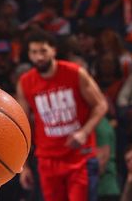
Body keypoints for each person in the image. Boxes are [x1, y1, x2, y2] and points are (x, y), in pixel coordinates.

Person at [16, 29, 109, 201]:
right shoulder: (25, 83)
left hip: (79, 156)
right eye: (34, 52)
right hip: (47, 159)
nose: (39, 57)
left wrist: (84, 132)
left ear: (54, 50)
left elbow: (101, 104)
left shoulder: (75, 72)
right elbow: (22, 126)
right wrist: (24, 166)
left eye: (43, 51)